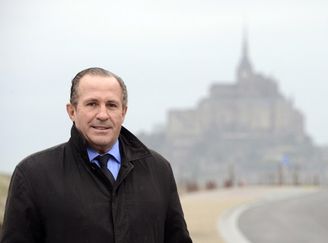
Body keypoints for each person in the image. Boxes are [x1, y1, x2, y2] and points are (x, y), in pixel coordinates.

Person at [0, 67, 192, 243]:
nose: (102, 114)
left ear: (123, 112)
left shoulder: (158, 170)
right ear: (72, 111)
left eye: (111, 105)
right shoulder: (33, 175)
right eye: (92, 104)